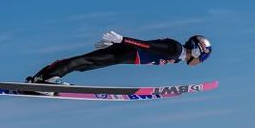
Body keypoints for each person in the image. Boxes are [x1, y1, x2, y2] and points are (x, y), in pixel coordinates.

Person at [26, 31, 212, 84]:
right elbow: (147, 45)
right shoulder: (175, 49)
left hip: (125, 54)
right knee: (85, 61)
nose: (199, 63)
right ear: (197, 51)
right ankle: (48, 80)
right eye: (202, 58)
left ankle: (39, 79)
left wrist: (119, 44)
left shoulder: (177, 55)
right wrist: (122, 40)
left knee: (85, 64)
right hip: (127, 53)